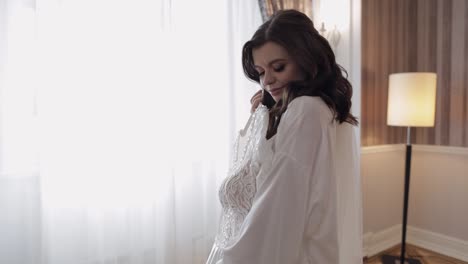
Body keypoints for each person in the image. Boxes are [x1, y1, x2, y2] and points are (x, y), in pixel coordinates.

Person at [206, 9, 362, 264]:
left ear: (306, 58)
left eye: (278, 67)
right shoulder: (320, 109)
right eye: (260, 71)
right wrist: (264, 118)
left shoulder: (306, 110)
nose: (267, 80)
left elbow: (278, 208)